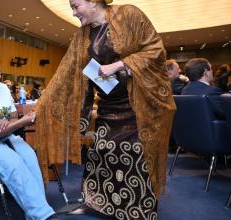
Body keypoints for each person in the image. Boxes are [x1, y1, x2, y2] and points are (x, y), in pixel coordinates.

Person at [34, 0, 176, 219]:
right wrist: (44, 106)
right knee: (102, 152)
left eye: (76, 6)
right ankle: (99, 204)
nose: (73, 13)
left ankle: (138, 211)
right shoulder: (82, 36)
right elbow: (69, 75)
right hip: (108, 105)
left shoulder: (127, 14)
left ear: (93, 2)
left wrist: (118, 65)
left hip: (137, 105)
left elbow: (155, 50)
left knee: (134, 154)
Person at [0, 47, 58, 220]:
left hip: (5, 137)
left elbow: (12, 117)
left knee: (29, 156)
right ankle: (43, 215)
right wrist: (21, 122)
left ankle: (34, 211)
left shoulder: (4, 90)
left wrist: (9, 123)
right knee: (12, 162)